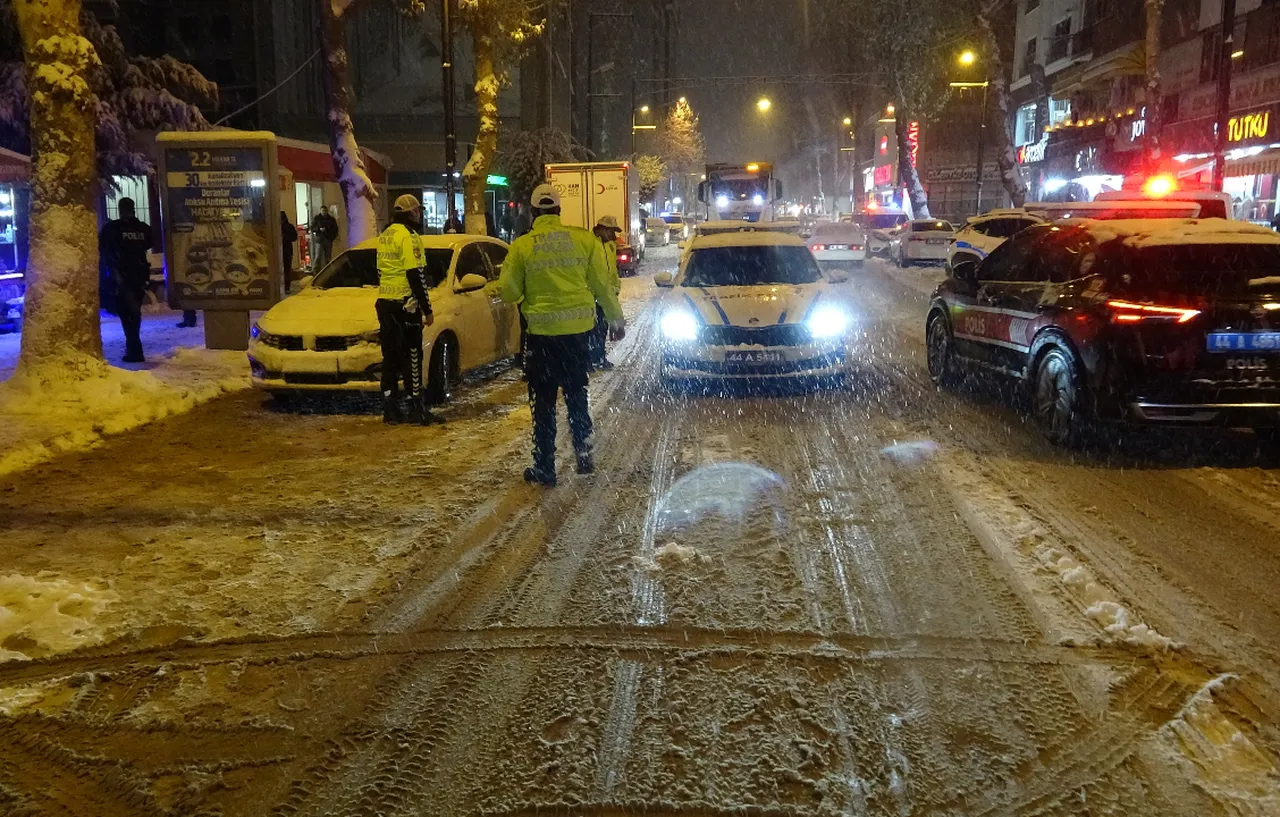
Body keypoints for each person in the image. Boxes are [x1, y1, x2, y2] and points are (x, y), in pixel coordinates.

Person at [498, 184, 625, 486]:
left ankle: (545, 466)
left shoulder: (522, 247)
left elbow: (509, 291)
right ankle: (584, 451)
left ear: (533, 212)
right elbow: (602, 285)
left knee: (543, 401)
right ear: (558, 211)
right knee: (576, 392)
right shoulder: (583, 240)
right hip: (576, 336)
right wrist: (615, 320)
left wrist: (529, 292)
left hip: (541, 338)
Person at [377, 194, 443, 426]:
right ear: (411, 213)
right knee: (413, 354)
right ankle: (417, 406)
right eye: (418, 211)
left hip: (385, 302)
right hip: (406, 303)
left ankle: (390, 406)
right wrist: (427, 309)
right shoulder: (409, 237)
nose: (421, 215)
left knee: (390, 356)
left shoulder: (385, 235)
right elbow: (415, 275)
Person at [99, 197, 153, 363]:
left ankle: (134, 348)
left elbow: (102, 247)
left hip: (120, 277)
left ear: (120, 209)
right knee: (134, 312)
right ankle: (134, 346)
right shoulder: (143, 228)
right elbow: (149, 243)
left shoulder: (112, 229)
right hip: (139, 275)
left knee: (125, 313)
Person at [589, 215, 624, 370]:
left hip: (606, 294)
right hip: (592, 295)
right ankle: (590, 359)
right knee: (591, 330)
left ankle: (599, 357)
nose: (613, 235)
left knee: (602, 328)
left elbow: (613, 271)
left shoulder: (610, 246)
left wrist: (616, 288)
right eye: (611, 231)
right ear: (602, 229)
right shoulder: (589, 244)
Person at [310, 205, 339, 271]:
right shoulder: (317, 219)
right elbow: (312, 228)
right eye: (323, 211)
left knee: (328, 257)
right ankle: (315, 271)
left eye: (325, 211)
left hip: (328, 239)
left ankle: (327, 271)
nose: (324, 212)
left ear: (327, 211)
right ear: (320, 211)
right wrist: (319, 229)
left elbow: (335, 230)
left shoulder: (331, 219)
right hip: (320, 240)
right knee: (318, 256)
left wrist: (332, 237)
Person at [281, 211, 298, 283]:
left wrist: (285, 236)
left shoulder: (289, 227)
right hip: (283, 251)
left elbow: (294, 237)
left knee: (287, 269)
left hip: (287, 250)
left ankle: (287, 286)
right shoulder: (275, 227)